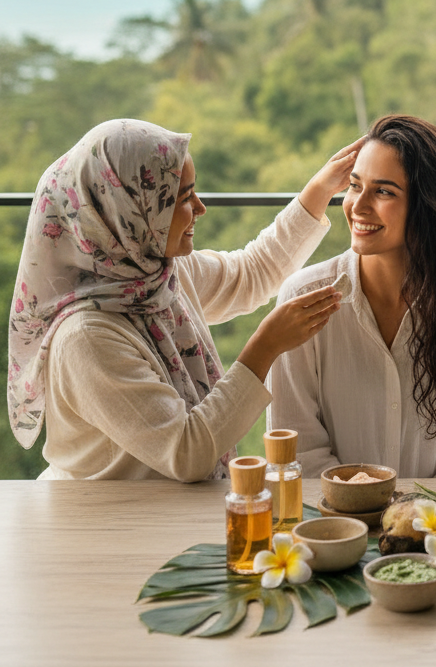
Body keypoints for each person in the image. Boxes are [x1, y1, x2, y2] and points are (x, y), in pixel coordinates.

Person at [7, 118, 362, 481]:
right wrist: (266, 345)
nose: (201, 207)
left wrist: (321, 189)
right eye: (182, 198)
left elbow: (253, 272)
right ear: (129, 214)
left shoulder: (159, 277)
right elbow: (186, 452)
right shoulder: (85, 338)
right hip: (102, 527)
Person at [268, 114, 436, 478]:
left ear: (428, 208)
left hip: (435, 528)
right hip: (334, 528)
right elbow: (297, 451)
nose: (358, 206)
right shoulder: (302, 299)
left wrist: (417, 514)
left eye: (383, 191)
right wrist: (370, 510)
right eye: (353, 185)